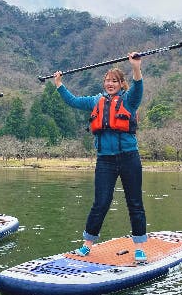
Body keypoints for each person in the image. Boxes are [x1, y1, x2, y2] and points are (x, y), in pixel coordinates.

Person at [53, 53, 148, 262]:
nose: (110, 84)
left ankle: (140, 246)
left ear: (122, 84)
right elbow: (74, 101)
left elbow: (138, 87)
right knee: (101, 202)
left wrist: (136, 68)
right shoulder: (96, 100)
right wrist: (59, 85)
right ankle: (87, 245)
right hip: (105, 160)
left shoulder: (129, 99)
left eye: (114, 81)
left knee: (134, 202)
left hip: (129, 158)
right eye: (107, 81)